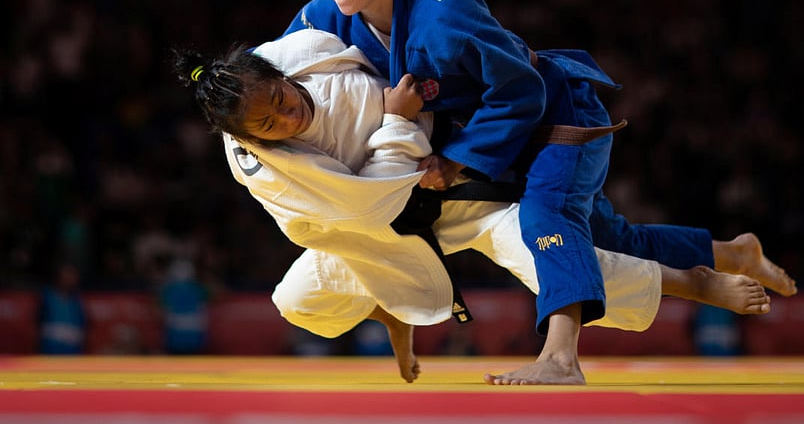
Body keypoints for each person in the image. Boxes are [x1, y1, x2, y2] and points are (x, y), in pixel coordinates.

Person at [276, 0, 797, 384]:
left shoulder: (445, 11)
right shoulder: (326, 14)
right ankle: (733, 252)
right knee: (607, 236)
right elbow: (276, 63)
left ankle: (560, 357)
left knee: (547, 218)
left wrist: (458, 161)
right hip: (496, 128)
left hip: (557, 116)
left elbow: (521, 89)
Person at [173, 28, 773, 383]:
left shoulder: (300, 51)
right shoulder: (266, 166)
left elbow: (333, 10)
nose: (286, 116)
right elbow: (366, 210)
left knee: (549, 256)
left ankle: (691, 281)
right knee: (296, 302)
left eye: (278, 98)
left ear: (275, 70)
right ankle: (390, 309)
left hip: (453, 198)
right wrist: (393, 121)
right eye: (269, 123)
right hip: (370, 229)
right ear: (249, 138)